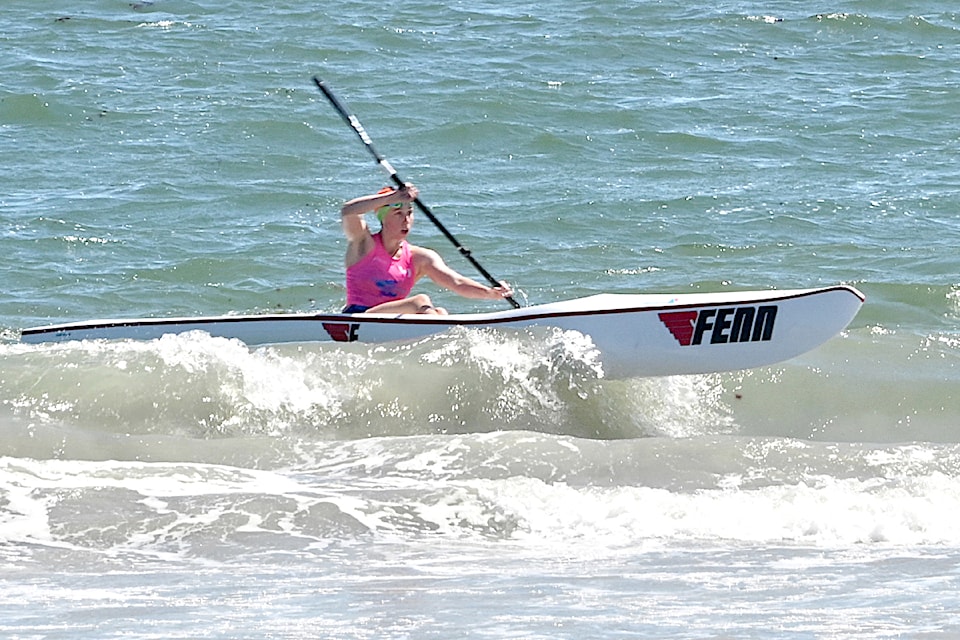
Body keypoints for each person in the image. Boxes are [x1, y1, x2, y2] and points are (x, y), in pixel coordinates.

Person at [340, 182, 513, 314]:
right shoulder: (363, 244)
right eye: (398, 214)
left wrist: (490, 293)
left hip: (391, 321)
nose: (406, 220)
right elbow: (348, 211)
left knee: (440, 312)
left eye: (409, 213)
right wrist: (391, 198)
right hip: (358, 317)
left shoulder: (419, 258)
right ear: (383, 218)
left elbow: (457, 282)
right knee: (420, 301)